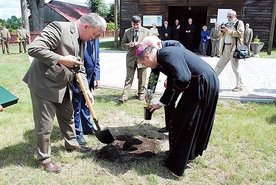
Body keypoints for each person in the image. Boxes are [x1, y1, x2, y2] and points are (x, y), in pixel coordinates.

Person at [23, 13, 106, 173]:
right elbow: (34, 49)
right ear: (86, 26)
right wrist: (62, 59)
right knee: (44, 124)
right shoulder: (59, 28)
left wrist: (86, 90)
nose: (94, 38)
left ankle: (72, 144)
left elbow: (79, 66)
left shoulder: (82, 40)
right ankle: (45, 160)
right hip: (44, 83)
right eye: (94, 34)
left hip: (63, 83)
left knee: (68, 115)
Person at [136, 44, 219, 177]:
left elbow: (183, 78)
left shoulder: (166, 56)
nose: (146, 66)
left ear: (147, 56)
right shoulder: (164, 55)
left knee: (187, 124)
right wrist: (162, 102)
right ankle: (185, 154)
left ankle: (177, 163)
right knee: (182, 120)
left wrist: (171, 92)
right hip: (200, 83)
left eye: (144, 63)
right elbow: (177, 80)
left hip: (202, 84)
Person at [142, 35, 185, 133]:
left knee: (183, 104)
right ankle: (169, 127)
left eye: (150, 49)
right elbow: (154, 74)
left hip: (183, 79)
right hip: (172, 79)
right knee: (169, 101)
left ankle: (180, 129)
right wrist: (149, 91)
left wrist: (169, 77)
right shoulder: (154, 55)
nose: (149, 52)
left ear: (158, 44)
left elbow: (181, 66)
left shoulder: (175, 46)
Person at [71, 38, 100, 146]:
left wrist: (96, 75)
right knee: (77, 105)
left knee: (86, 103)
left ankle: (87, 127)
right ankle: (78, 134)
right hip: (77, 74)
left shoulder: (96, 37)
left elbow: (97, 57)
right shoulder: (80, 38)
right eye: (98, 32)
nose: (99, 35)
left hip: (88, 75)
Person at [119, 15, 152, 102]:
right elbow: (122, 44)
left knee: (142, 78)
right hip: (131, 58)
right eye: (134, 25)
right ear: (131, 23)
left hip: (143, 59)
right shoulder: (127, 32)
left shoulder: (147, 32)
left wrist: (143, 45)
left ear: (140, 23)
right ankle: (125, 96)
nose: (136, 26)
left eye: (137, 24)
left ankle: (141, 94)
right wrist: (128, 45)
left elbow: (151, 45)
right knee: (128, 78)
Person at [214, 9, 244, 92]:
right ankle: (211, 81)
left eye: (230, 16)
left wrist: (228, 31)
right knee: (219, 66)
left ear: (235, 16)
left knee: (235, 67)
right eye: (228, 16)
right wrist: (221, 30)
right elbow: (221, 34)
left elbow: (240, 33)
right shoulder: (226, 24)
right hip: (225, 47)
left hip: (234, 48)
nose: (228, 17)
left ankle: (239, 86)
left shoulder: (239, 23)